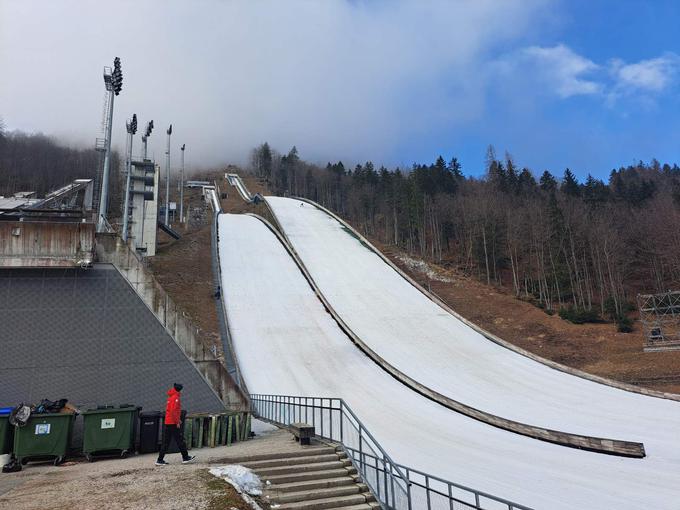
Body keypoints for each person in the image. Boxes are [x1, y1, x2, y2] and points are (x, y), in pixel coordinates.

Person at [155, 383, 195, 466]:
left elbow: (171, 411)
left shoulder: (171, 397)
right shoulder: (176, 398)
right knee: (180, 440)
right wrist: (177, 422)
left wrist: (178, 420)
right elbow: (174, 411)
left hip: (168, 421)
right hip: (173, 422)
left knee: (166, 442)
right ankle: (185, 457)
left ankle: (160, 459)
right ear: (180, 390)